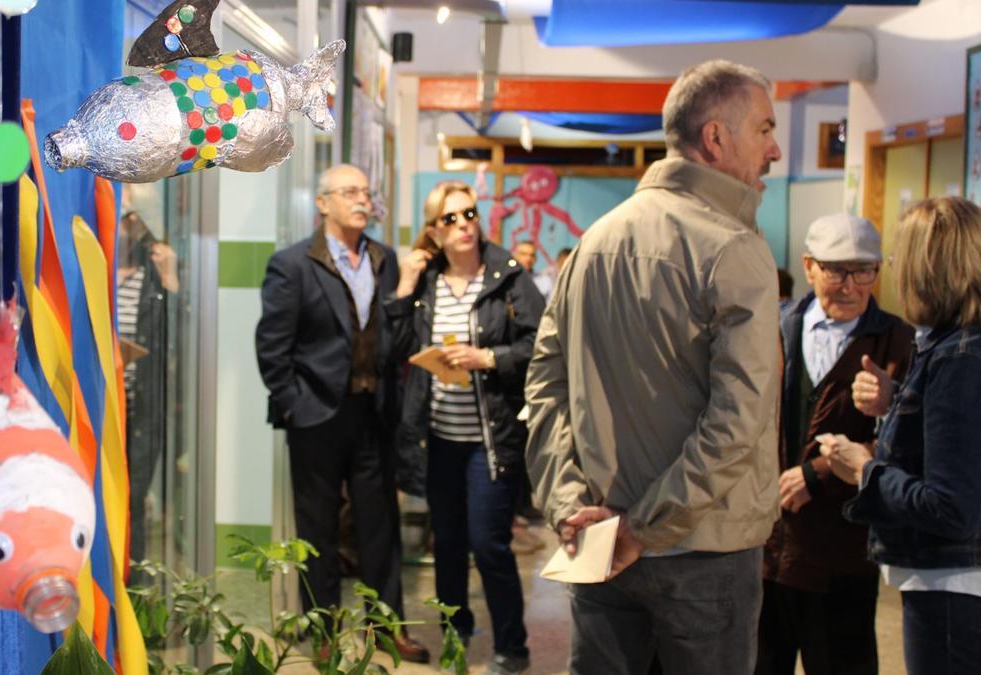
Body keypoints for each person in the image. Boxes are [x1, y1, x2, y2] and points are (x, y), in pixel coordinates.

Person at [524, 59, 783, 675]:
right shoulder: (733, 249)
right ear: (716, 139)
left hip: (598, 541)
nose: (774, 149)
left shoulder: (593, 242)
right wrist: (644, 526)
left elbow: (543, 388)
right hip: (702, 550)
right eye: (766, 128)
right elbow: (738, 422)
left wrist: (568, 506)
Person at [254, 164, 429, 663]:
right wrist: (295, 404)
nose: (362, 200)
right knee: (318, 531)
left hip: (373, 412)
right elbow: (272, 348)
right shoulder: (293, 264)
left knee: (380, 527)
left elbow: (394, 341)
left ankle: (386, 625)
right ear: (323, 202)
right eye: (349, 192)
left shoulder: (383, 259)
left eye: (366, 193)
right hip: (315, 416)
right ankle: (323, 630)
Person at [386, 181, 543, 675]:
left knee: (489, 543)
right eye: (450, 219)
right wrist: (404, 289)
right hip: (438, 440)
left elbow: (540, 344)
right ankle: (457, 638)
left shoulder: (507, 275)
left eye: (469, 214)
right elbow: (392, 351)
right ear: (433, 231)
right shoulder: (428, 281)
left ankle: (512, 648)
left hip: (490, 439)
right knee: (448, 546)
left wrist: (488, 357)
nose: (463, 226)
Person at [821, 197, 981, 675]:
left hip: (951, 587)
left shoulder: (959, 356)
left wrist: (864, 471)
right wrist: (900, 403)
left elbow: (952, 507)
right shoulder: (954, 346)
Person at [755, 214, 914, 675]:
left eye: (863, 271)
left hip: (845, 550)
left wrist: (816, 473)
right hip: (768, 547)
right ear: (808, 266)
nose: (850, 285)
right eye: (835, 270)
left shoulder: (897, 340)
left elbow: (909, 446)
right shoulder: (775, 327)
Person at [116, 211, 179, 571]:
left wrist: (170, 279)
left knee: (133, 500)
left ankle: (133, 593)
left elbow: (179, 341)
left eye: (136, 215)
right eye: (125, 214)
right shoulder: (92, 264)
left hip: (141, 407)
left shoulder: (154, 274)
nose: (130, 224)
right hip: (97, 404)